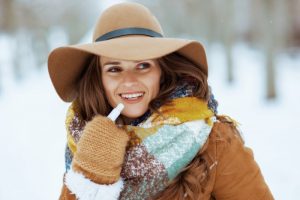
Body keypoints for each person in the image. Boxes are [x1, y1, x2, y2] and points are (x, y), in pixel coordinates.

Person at [48, 2, 274, 200]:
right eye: (114, 69)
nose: (129, 81)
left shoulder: (214, 140)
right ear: (99, 78)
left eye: (143, 65)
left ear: (162, 71)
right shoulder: (85, 141)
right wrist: (91, 179)